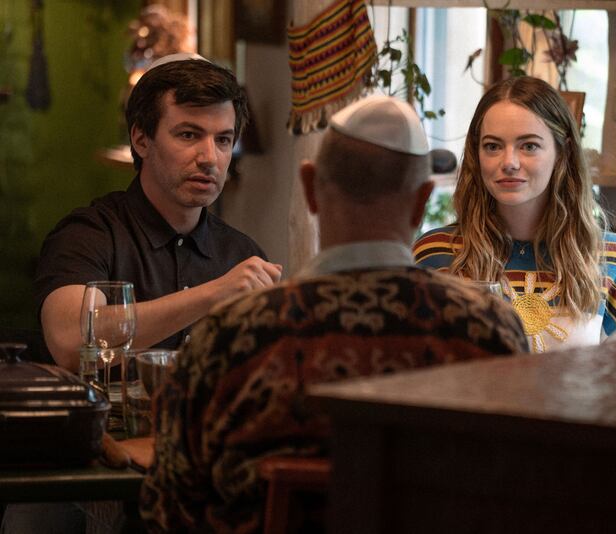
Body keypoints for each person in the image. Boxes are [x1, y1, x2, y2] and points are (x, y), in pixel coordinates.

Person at [139, 95, 528, 532]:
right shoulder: (488, 334)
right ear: (421, 201)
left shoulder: (230, 337)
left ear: (310, 187)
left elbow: (166, 514)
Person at [32, 53, 281, 372]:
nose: (209, 157)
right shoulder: (88, 234)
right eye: (189, 135)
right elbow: (72, 342)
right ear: (140, 140)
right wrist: (213, 294)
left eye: (223, 140)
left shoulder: (242, 254)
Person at [413, 76, 616, 353]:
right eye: (493, 146)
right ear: (476, 154)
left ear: (563, 153)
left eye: (529, 146)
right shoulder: (433, 255)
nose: (509, 162)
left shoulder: (612, 260)